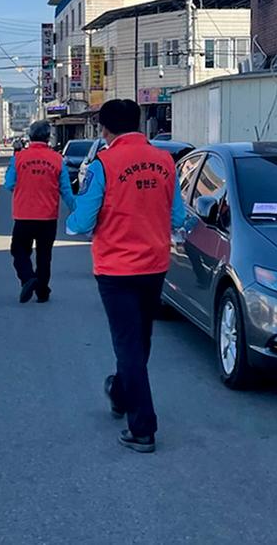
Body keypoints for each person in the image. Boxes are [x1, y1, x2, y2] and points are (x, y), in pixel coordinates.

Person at [66, 99, 186, 454]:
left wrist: (74, 223)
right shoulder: (166, 162)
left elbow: (82, 221)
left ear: (105, 130)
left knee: (128, 344)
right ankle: (120, 392)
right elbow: (177, 217)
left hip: (116, 268)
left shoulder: (104, 163)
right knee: (140, 340)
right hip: (155, 265)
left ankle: (142, 427)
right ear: (139, 125)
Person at [4, 120, 75, 303]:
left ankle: (28, 278)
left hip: (24, 215)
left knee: (19, 250)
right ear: (47, 137)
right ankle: (42, 292)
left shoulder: (18, 158)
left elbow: (9, 184)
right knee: (44, 255)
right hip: (48, 216)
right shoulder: (57, 159)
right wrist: (76, 211)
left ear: (30, 137)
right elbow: (66, 190)